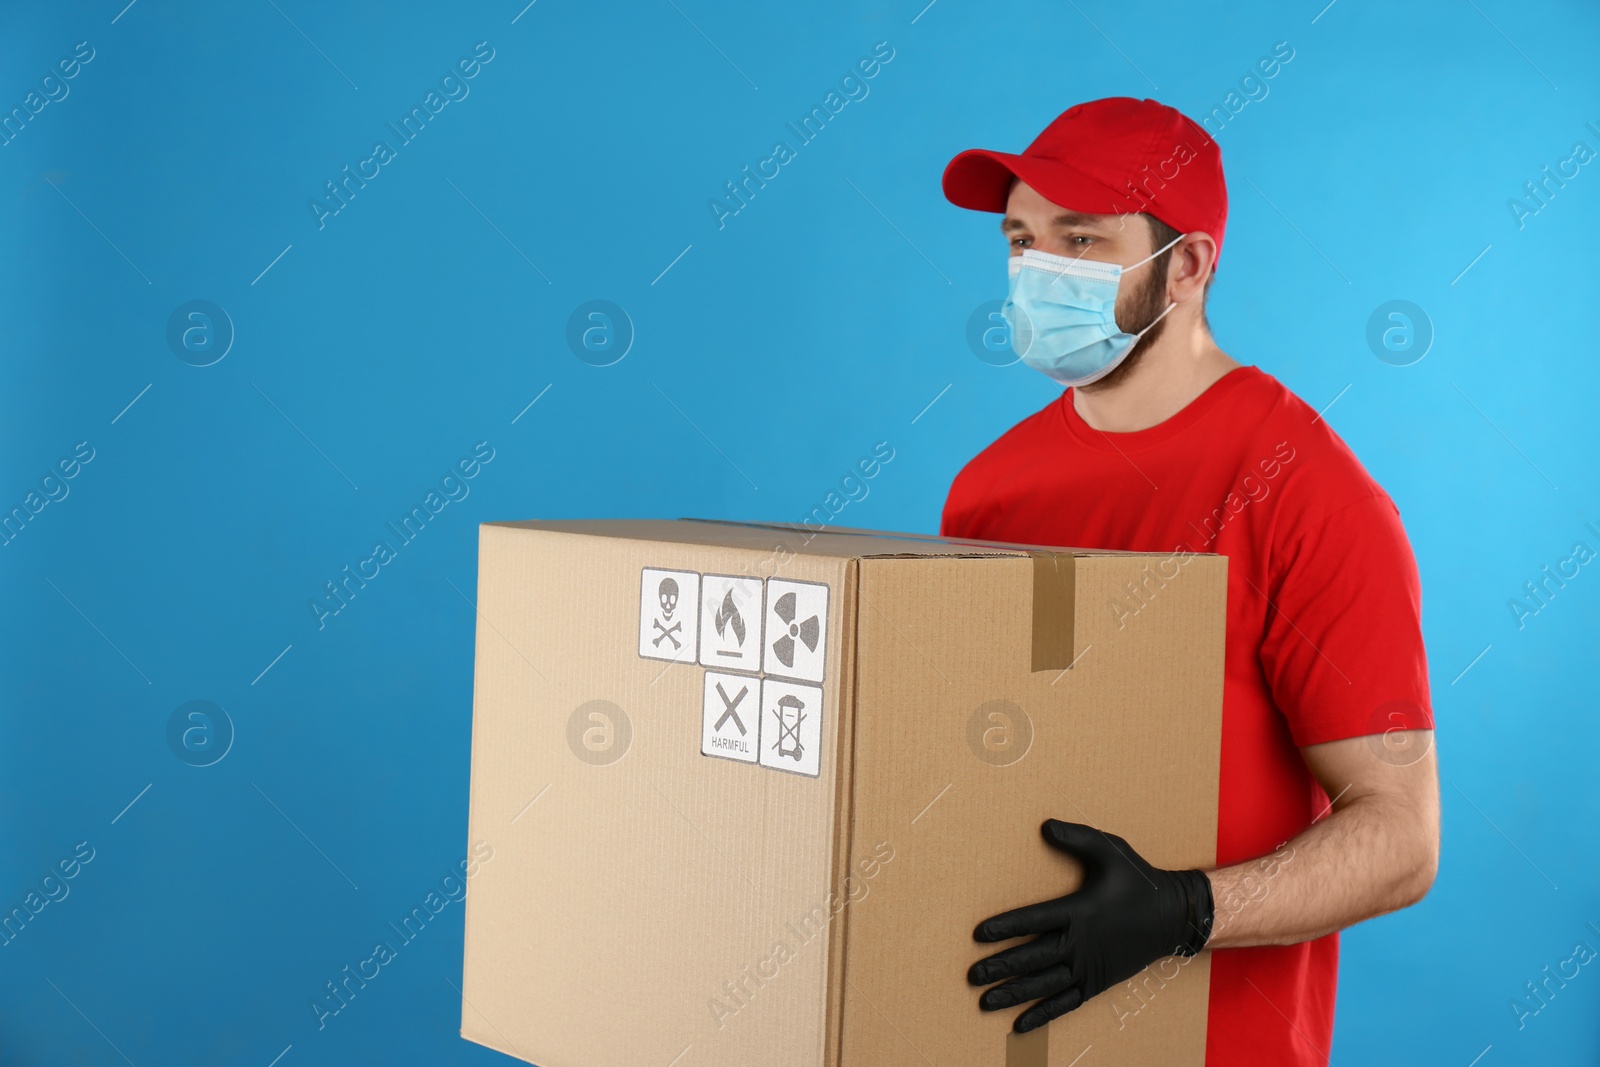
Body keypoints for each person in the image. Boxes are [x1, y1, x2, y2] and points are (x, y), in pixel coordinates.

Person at [939, 97, 1440, 1066]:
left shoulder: (1304, 489)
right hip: (1007, 1028)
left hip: (1219, 1041)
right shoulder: (988, 489)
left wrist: (1183, 908)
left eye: (1081, 239)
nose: (1038, 269)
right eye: (1021, 238)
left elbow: (1401, 836)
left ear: (1189, 264)